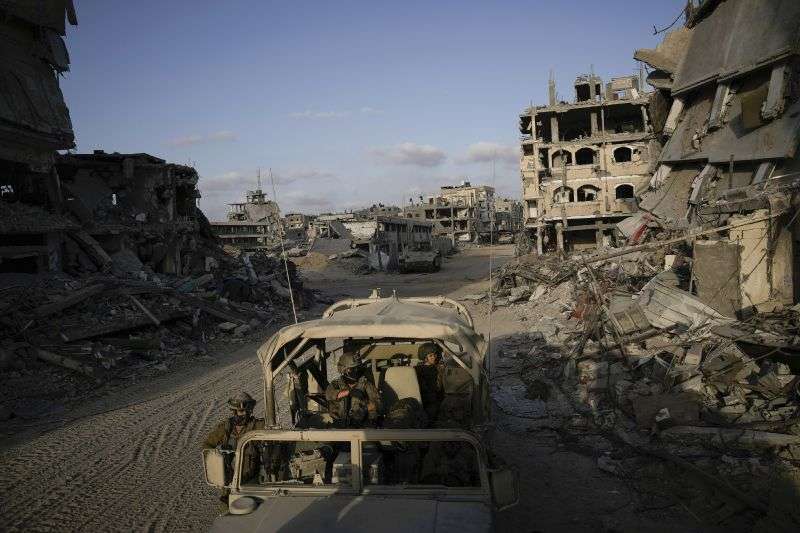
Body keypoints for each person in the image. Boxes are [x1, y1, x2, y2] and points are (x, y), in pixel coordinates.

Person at [203, 391, 264, 512]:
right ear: (234, 411)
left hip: (251, 483)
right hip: (230, 484)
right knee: (226, 515)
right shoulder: (226, 428)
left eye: (248, 411)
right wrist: (216, 465)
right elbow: (207, 445)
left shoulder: (258, 425)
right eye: (241, 411)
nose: (244, 414)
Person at [325, 352, 381, 428]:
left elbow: (378, 404)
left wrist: (364, 409)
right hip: (339, 428)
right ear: (344, 370)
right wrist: (349, 392)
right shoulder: (336, 384)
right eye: (352, 369)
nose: (356, 371)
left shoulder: (365, 384)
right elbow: (329, 395)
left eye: (358, 368)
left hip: (361, 428)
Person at [415, 343, 445, 423]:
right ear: (425, 358)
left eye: (435, 355)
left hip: (437, 400)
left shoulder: (438, 368)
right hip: (426, 402)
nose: (434, 357)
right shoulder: (418, 370)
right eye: (431, 356)